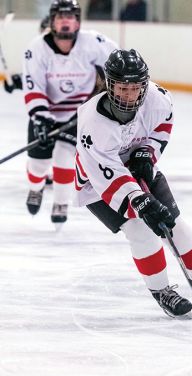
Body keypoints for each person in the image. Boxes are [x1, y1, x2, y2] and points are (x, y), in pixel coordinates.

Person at [74, 48, 192, 318]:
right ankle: (161, 290)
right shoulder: (92, 122)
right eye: (123, 88)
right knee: (141, 231)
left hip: (138, 169)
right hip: (98, 182)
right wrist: (140, 200)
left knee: (177, 226)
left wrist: (147, 153)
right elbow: (109, 173)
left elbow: (163, 126)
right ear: (109, 85)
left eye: (135, 88)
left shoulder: (158, 98)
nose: (130, 95)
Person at [23, 0, 118, 226]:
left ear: (78, 21)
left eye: (71, 17)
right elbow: (33, 87)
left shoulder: (93, 42)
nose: (66, 21)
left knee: (66, 158)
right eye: (61, 17)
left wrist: (102, 99)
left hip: (78, 115)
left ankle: (61, 202)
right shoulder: (35, 49)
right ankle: (35, 188)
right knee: (38, 165)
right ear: (52, 21)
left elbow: (118, 64)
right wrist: (41, 117)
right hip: (44, 114)